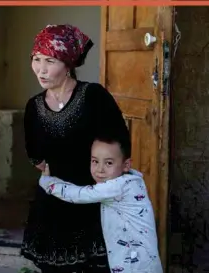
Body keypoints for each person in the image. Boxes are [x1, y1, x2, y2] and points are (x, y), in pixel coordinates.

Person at [20, 24, 130, 273]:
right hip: (55, 200)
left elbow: (119, 143)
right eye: (36, 59)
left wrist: (101, 174)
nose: (41, 69)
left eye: (50, 60)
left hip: (95, 200)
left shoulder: (94, 96)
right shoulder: (33, 107)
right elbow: (36, 156)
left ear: (69, 64)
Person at [39, 134, 163, 273]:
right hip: (141, 261)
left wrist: (47, 182)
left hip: (135, 265)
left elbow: (78, 195)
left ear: (126, 165)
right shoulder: (132, 180)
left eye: (108, 163)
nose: (100, 169)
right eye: (95, 161)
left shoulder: (118, 187)